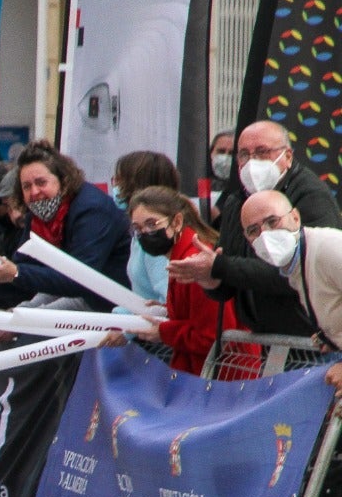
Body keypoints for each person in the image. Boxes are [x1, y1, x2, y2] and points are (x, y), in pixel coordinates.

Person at [170, 120, 341, 336]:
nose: (252, 162)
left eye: (262, 152)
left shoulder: (311, 196)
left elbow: (298, 272)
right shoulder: (236, 203)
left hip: (312, 341)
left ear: (287, 156)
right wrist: (208, 277)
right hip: (263, 340)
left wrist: (221, 266)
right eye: (243, 154)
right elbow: (227, 284)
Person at [0, 139, 132, 312]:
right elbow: (24, 276)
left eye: (41, 182)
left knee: (25, 328)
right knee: (15, 322)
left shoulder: (91, 210)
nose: (35, 192)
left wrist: (15, 274)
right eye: (27, 186)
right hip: (68, 296)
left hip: (107, 304)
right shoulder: (36, 215)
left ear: (63, 180)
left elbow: (78, 279)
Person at [112, 186, 245, 377]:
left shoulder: (194, 265)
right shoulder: (184, 258)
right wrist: (168, 309)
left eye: (152, 224)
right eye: (138, 228)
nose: (145, 233)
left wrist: (164, 331)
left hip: (221, 378)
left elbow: (213, 336)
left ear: (177, 222)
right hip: (210, 374)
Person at [242, 189, 342, 392]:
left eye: (272, 221)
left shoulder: (329, 249)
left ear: (295, 217)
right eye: (253, 230)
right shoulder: (296, 263)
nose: (265, 235)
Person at [110, 149, 181, 305]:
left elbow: (167, 303)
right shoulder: (140, 233)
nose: (114, 187)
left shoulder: (156, 239)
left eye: (119, 181)